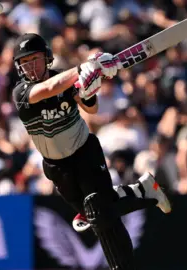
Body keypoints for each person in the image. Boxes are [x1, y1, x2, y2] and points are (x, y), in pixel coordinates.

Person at [11, 33, 172, 269]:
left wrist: (89, 88)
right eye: (24, 63)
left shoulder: (65, 82)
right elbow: (50, 87)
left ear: (47, 58)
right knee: (99, 215)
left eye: (34, 59)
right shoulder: (22, 93)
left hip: (84, 151)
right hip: (56, 167)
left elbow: (92, 109)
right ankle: (143, 190)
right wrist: (85, 67)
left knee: (99, 211)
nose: (30, 67)